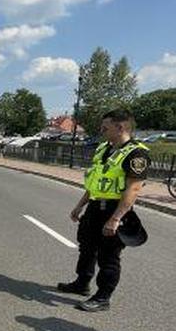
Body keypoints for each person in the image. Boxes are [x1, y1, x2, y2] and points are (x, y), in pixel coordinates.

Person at [57, 108, 150, 312]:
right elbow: (96, 182)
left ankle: (103, 297)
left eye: (105, 127)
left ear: (120, 127)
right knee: (86, 247)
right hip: (94, 207)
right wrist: (80, 205)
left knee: (108, 255)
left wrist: (116, 218)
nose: (101, 131)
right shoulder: (104, 149)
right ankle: (82, 283)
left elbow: (133, 188)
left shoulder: (136, 153)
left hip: (114, 210)